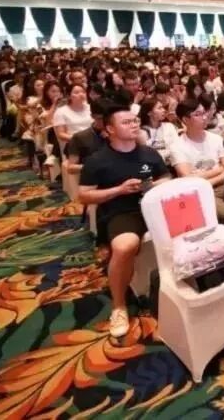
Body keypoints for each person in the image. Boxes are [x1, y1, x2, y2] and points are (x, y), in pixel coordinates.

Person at [78, 105, 170, 338]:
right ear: (110, 129)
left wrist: (150, 185)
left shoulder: (148, 153)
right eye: (126, 122)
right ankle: (119, 306)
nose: (134, 125)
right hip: (121, 211)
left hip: (154, 206)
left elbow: (166, 177)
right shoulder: (97, 160)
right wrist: (119, 190)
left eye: (135, 121)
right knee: (124, 246)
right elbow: (84, 196)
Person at [170, 99, 224, 224]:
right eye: (198, 114)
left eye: (204, 113)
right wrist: (219, 169)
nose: (204, 117)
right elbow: (188, 178)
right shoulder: (177, 146)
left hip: (223, 183)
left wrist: (209, 181)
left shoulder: (215, 138)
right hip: (198, 191)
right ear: (185, 120)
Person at [66, 98, 113, 175]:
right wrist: (95, 166)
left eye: (108, 118)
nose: (106, 122)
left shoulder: (119, 133)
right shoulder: (80, 137)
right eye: (101, 119)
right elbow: (71, 168)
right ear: (92, 116)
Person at [138, 98, 180, 166]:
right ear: (149, 113)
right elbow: (146, 155)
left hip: (172, 164)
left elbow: (177, 147)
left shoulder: (169, 126)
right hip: (153, 166)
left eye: (163, 107)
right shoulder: (142, 132)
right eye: (159, 108)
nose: (164, 110)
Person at [53, 84, 93, 151]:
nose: (81, 94)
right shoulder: (61, 111)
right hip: (74, 144)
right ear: (69, 96)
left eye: (83, 92)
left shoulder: (90, 107)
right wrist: (80, 140)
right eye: (76, 92)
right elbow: (61, 134)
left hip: (92, 141)